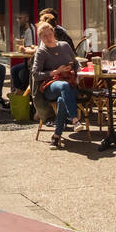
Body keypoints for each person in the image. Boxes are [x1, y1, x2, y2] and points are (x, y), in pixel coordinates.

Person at [32, 21, 79, 149]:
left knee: (62, 100)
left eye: (49, 34)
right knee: (63, 86)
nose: (48, 38)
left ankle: (56, 136)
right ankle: (74, 119)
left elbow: (76, 63)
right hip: (50, 85)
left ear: (54, 33)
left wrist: (72, 68)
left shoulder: (64, 46)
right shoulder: (42, 52)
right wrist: (56, 71)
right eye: (44, 36)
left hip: (69, 83)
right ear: (40, 38)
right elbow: (35, 74)